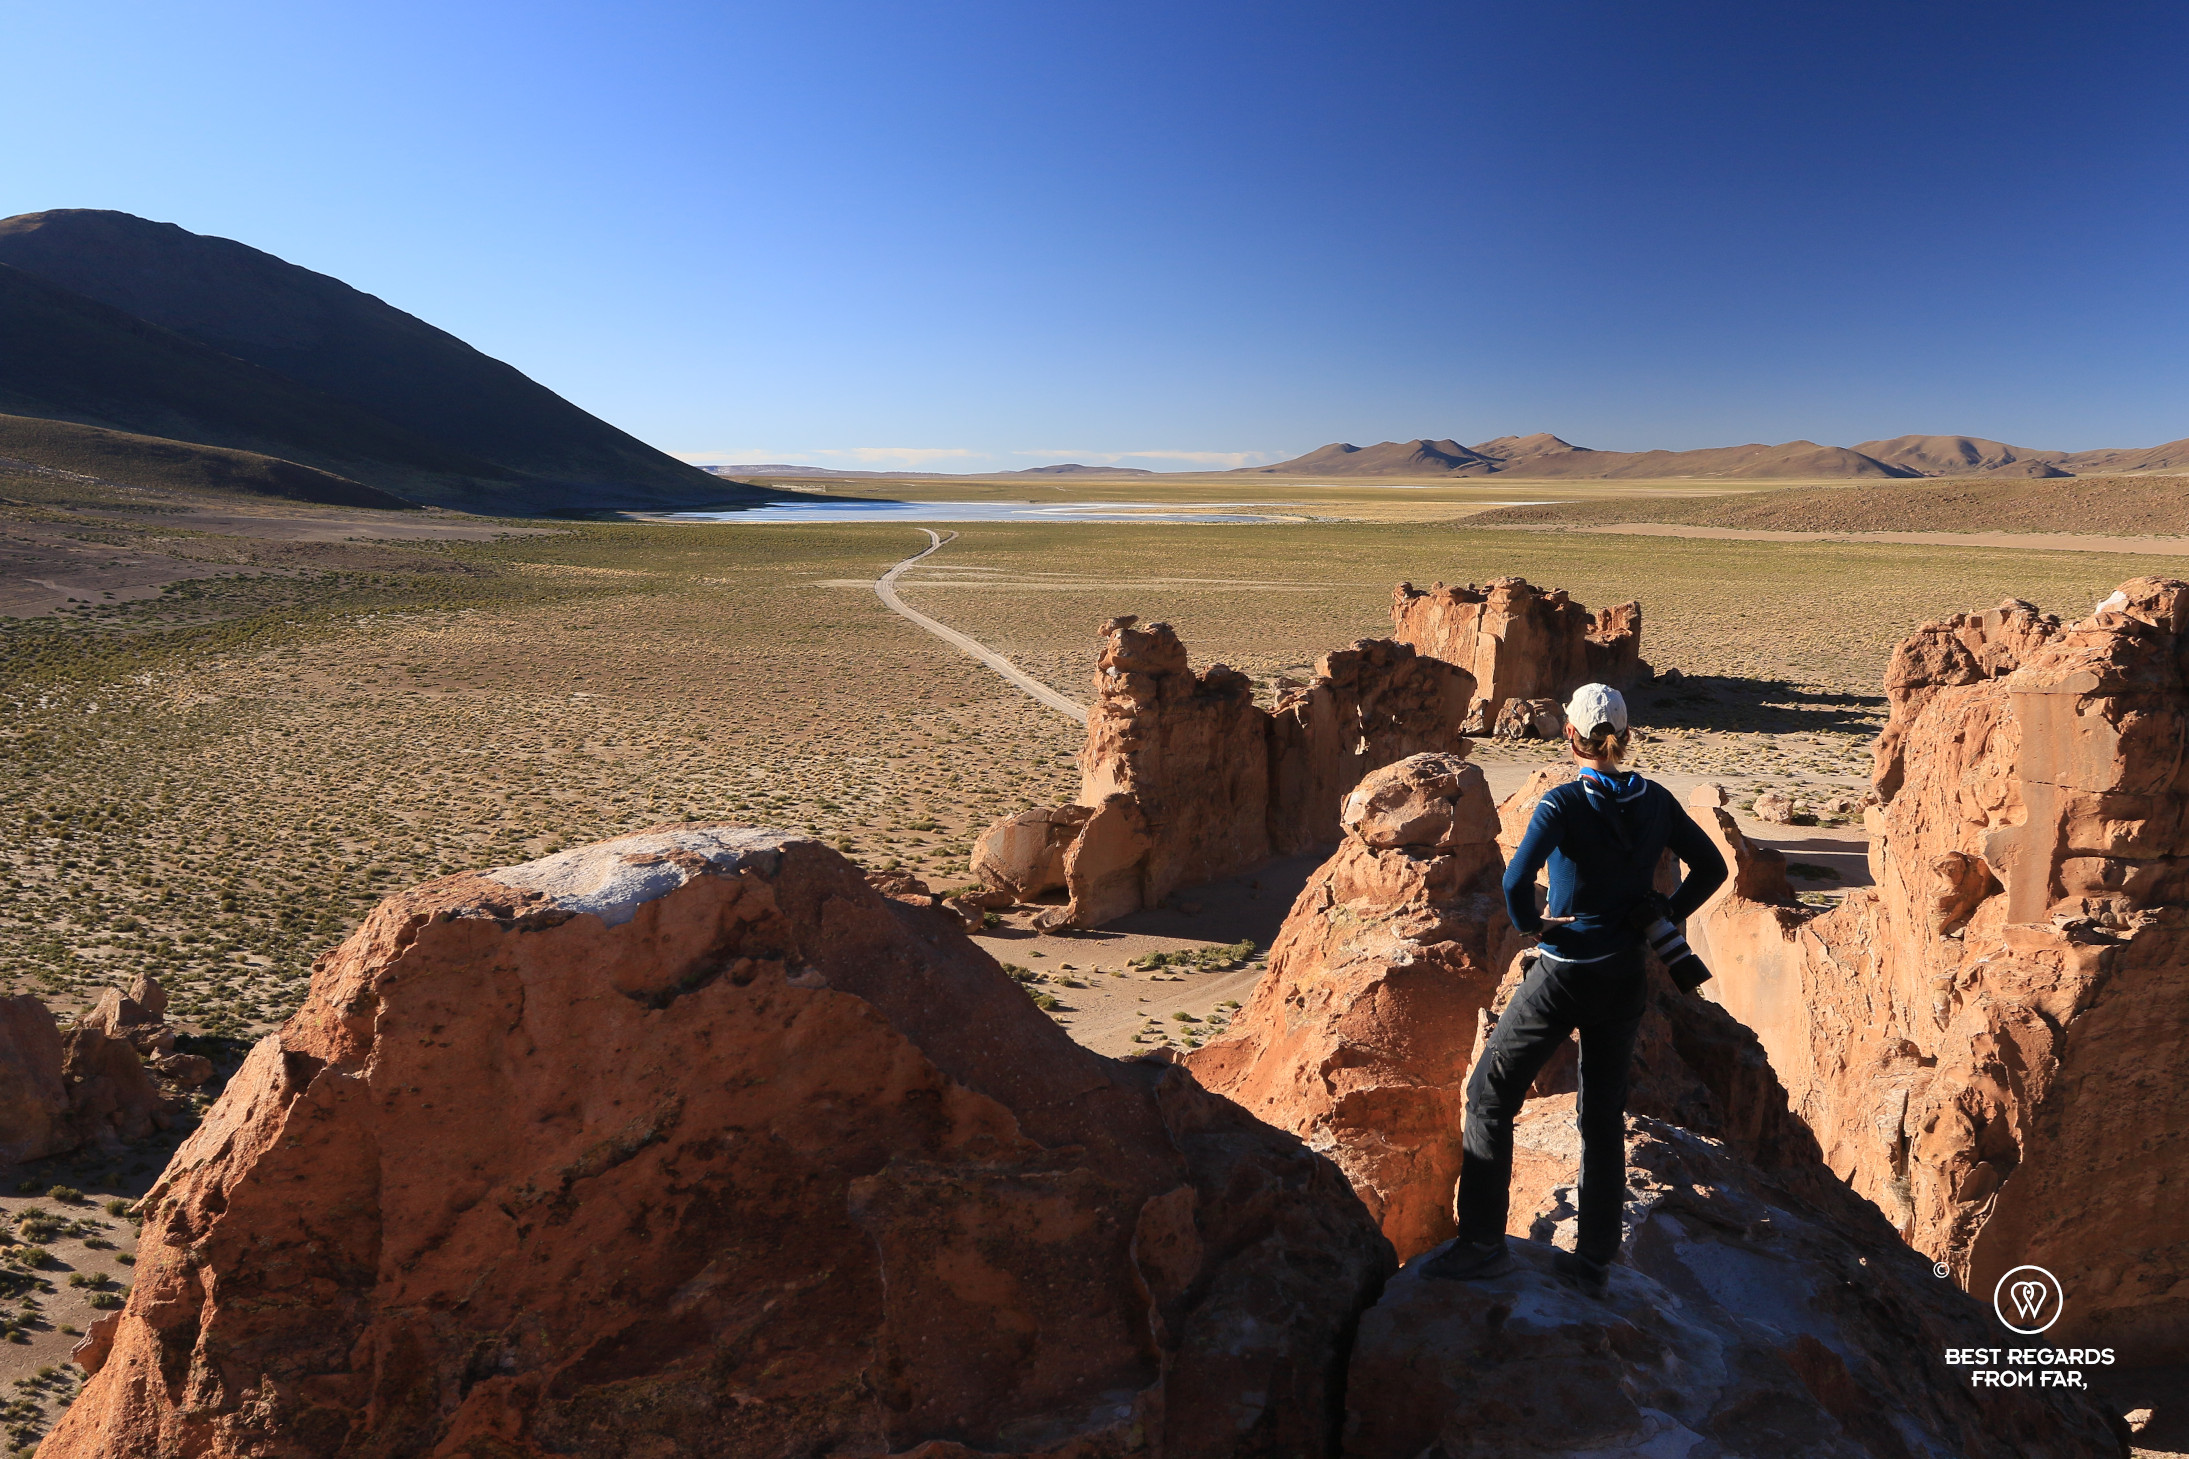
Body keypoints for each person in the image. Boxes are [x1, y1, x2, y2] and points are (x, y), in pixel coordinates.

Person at [1425, 682, 1727, 1294]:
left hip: (1564, 972)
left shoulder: (1561, 804)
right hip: (1624, 973)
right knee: (1602, 1115)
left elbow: (1515, 883)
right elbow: (1713, 868)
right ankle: (1593, 1262)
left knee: (1489, 1095)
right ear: (1626, 736)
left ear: (1570, 736)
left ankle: (1482, 1245)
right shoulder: (1656, 800)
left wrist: (1532, 924)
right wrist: (1663, 912)